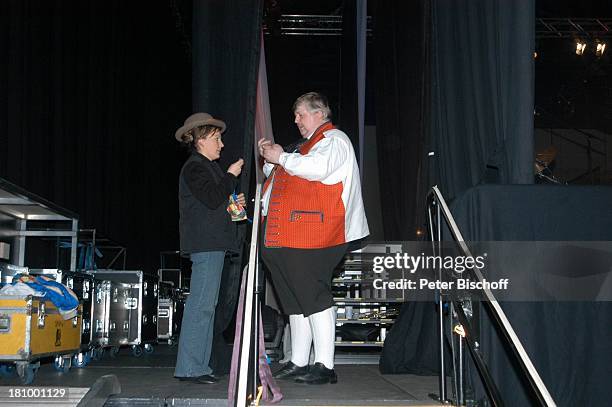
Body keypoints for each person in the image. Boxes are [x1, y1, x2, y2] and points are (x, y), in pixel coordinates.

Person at [258, 92, 369, 384]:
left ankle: (324, 365)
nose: (296, 121)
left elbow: (316, 169)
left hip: (316, 233)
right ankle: (298, 360)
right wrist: (273, 161)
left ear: (319, 112)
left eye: (300, 114)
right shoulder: (305, 147)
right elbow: (287, 173)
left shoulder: (334, 140)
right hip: (288, 237)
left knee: (313, 296)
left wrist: (280, 157)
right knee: (295, 300)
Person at [173, 112, 246, 384]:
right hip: (206, 245)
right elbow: (213, 198)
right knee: (201, 306)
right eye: (217, 139)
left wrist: (235, 205)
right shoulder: (195, 167)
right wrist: (229, 176)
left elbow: (217, 203)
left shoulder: (208, 168)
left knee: (207, 306)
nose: (222, 145)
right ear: (201, 139)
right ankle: (191, 368)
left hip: (213, 244)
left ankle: (198, 366)